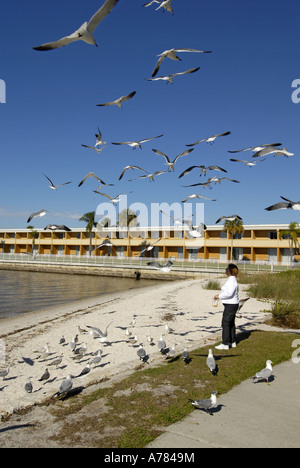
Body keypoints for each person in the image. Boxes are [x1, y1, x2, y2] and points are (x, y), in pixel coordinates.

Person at [214, 263, 239, 350]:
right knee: (231, 323)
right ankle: (232, 341)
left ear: (230, 271)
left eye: (227, 269)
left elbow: (229, 293)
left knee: (225, 323)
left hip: (231, 305)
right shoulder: (231, 280)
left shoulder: (232, 281)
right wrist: (220, 294)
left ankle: (225, 343)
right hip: (232, 304)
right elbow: (228, 292)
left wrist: (219, 296)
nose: (225, 270)